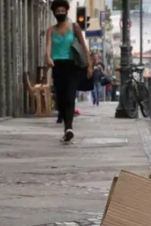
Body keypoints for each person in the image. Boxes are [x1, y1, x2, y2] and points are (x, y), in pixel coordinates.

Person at [46, 0, 92, 143]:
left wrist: (89, 65)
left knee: (70, 96)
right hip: (57, 66)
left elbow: (84, 46)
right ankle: (66, 127)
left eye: (62, 11)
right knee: (60, 99)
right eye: (57, 12)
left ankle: (69, 128)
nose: (60, 13)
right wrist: (48, 57)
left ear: (66, 11)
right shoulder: (51, 30)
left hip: (72, 66)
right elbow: (48, 47)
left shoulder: (74, 27)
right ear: (54, 13)